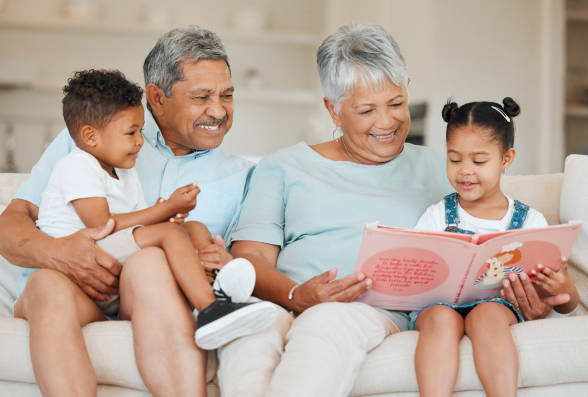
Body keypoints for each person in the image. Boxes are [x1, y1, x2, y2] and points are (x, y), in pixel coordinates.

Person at [0, 26, 263, 397]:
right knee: (46, 283)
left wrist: (222, 261)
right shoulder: (97, 138)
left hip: (150, 292)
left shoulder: (245, 177)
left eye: (227, 96)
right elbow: (6, 229)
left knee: (149, 263)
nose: (218, 110)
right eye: (201, 97)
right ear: (157, 97)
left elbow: (251, 266)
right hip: (72, 292)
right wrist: (60, 253)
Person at [218, 23, 451, 397]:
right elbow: (250, 258)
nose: (387, 122)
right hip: (284, 300)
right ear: (333, 109)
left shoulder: (443, 169)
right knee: (247, 332)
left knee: (328, 322)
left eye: (396, 103)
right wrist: (297, 294)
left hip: (371, 312)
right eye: (366, 110)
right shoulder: (282, 167)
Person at [36, 68, 275, 351]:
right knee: (170, 235)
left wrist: (168, 213)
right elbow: (101, 224)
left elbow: (140, 221)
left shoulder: (124, 172)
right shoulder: (77, 166)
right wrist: (165, 211)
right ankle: (210, 310)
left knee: (192, 227)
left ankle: (213, 283)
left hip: (109, 250)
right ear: (91, 136)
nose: (140, 141)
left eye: (140, 130)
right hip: (87, 261)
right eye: (131, 132)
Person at [411, 98, 580, 397]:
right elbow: (416, 271)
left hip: (498, 307)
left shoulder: (530, 221)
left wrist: (562, 286)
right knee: (440, 317)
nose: (465, 171)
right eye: (454, 159)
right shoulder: (436, 215)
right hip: (438, 305)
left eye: (478, 161)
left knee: (487, 314)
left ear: (506, 159)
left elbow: (566, 304)